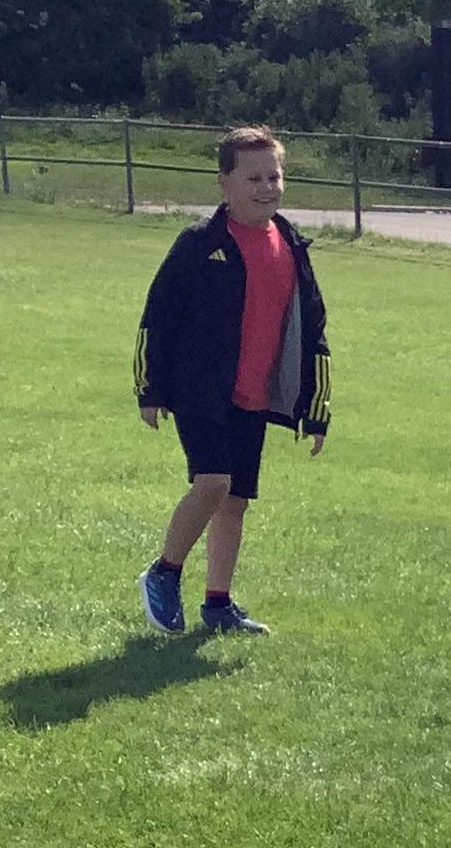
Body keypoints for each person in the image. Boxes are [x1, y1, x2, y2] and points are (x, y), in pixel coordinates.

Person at [134, 127, 333, 637]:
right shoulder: (201, 244)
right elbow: (158, 314)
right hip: (199, 389)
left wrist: (316, 409)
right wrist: (150, 388)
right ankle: (164, 572)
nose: (267, 187)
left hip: (254, 394)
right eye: (253, 178)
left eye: (274, 176)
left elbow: (313, 329)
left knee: (235, 501)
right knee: (213, 482)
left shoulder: (291, 244)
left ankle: (218, 604)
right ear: (224, 183)